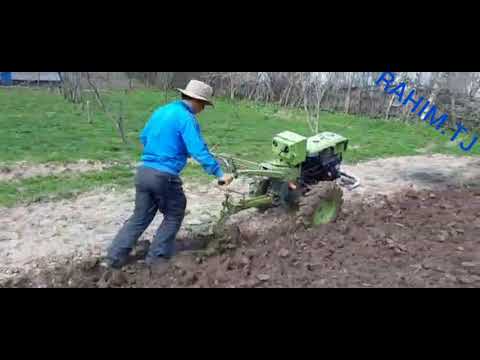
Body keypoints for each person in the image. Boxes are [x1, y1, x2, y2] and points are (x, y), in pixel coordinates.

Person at [102, 80, 234, 270]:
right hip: (164, 177)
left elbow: (144, 137)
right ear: (196, 101)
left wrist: (169, 149)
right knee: (174, 213)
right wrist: (219, 173)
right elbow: (198, 149)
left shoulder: (161, 111)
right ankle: (157, 258)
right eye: (204, 104)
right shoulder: (187, 118)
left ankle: (112, 258)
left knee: (139, 218)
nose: (203, 109)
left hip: (143, 172)